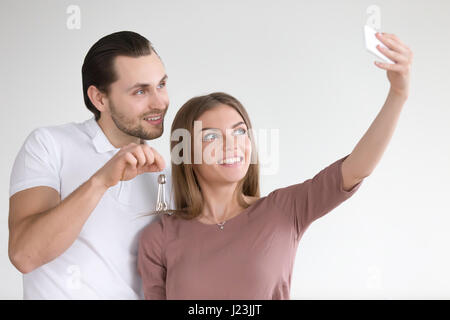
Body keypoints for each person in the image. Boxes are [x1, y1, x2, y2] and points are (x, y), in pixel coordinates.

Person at [137, 32, 413, 299]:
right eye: (210, 136)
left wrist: (398, 93)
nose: (231, 144)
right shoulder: (159, 237)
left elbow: (356, 168)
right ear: (186, 152)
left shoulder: (283, 210)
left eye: (239, 131)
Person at [8, 31, 171, 299]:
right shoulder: (48, 145)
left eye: (161, 85)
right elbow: (25, 255)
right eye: (141, 91)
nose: (159, 102)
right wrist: (101, 181)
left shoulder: (165, 175)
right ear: (99, 99)